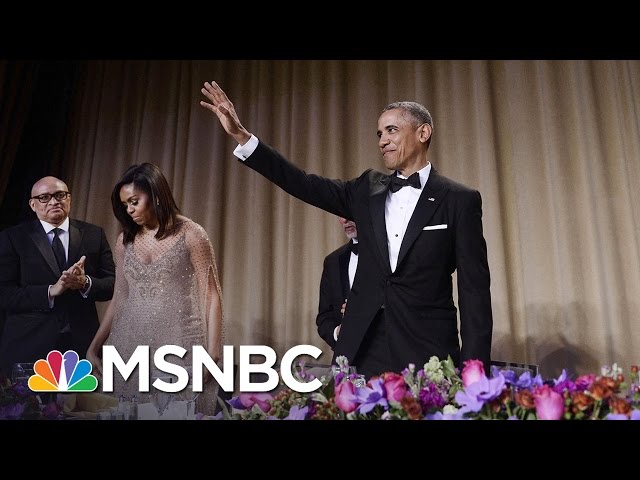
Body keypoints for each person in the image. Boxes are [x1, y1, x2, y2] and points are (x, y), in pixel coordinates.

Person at [200, 81, 493, 379]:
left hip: (426, 350)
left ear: (423, 132)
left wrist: (474, 371)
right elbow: (302, 182)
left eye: (391, 130)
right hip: (362, 348)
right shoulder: (367, 189)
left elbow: (474, 293)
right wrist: (243, 137)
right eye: (379, 133)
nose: (382, 141)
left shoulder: (459, 199)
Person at [86, 163, 224, 415]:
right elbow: (120, 296)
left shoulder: (192, 234)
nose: (129, 210)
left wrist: (212, 354)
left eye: (135, 201)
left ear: (156, 194)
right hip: (128, 346)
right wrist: (94, 347)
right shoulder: (124, 241)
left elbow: (211, 295)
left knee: (179, 412)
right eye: (125, 204)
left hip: (179, 344)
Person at [0, 176, 115, 375]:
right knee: (30, 407)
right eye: (44, 197)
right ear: (33, 204)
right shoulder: (12, 237)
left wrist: (84, 283)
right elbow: (4, 293)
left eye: (60, 195)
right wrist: (50, 292)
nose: (54, 201)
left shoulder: (93, 234)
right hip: (28, 345)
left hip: (80, 346)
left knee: (79, 407)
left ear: (69, 198)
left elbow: (113, 285)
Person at [316, 218, 359, 350]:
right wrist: (337, 333)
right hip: (346, 356)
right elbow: (325, 316)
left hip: (387, 358)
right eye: (340, 214)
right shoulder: (333, 261)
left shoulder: (391, 255)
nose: (344, 220)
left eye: (349, 213)